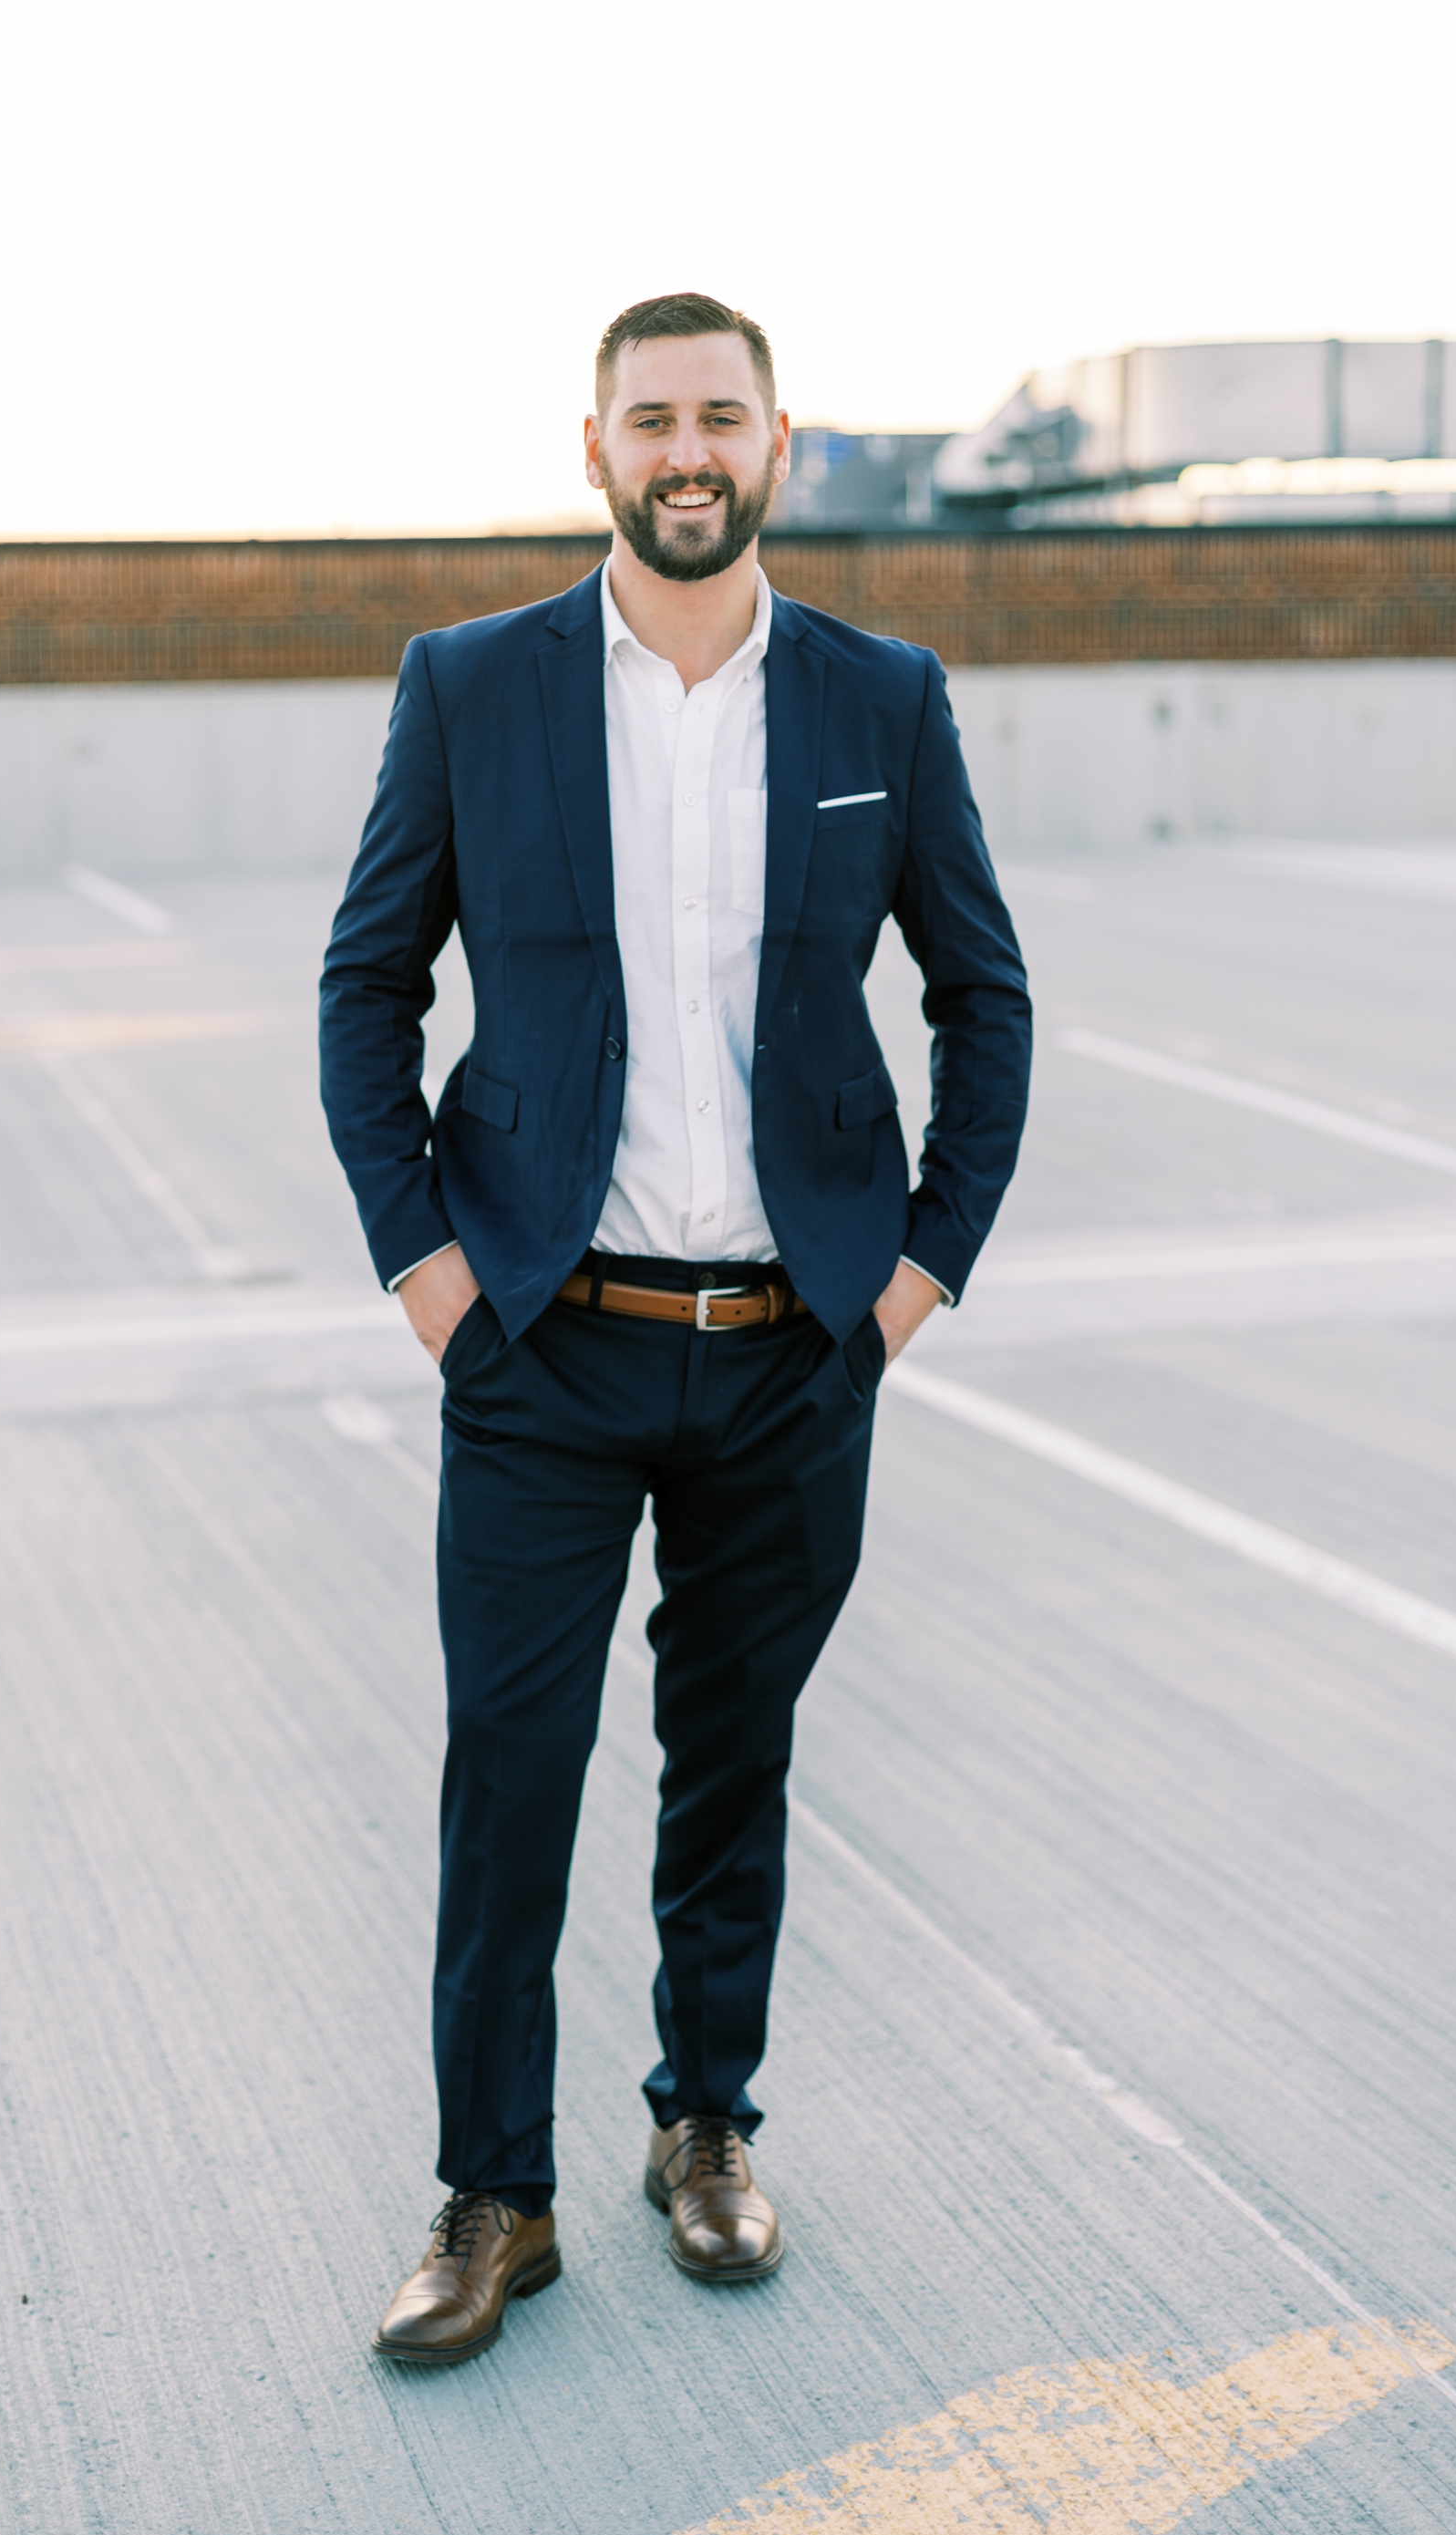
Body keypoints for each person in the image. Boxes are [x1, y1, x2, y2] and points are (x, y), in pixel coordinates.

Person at [319, 292, 1030, 2364]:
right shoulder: (472, 687)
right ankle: (492, 2196)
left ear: (779, 445)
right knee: (510, 1769)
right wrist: (431, 1278)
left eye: (722, 416)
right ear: (597, 448)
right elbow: (368, 985)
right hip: (541, 1340)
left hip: (796, 1349)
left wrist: (911, 1279)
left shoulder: (881, 701)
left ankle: (704, 2124)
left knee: (732, 1763)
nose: (688, 451)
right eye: (654, 420)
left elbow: (979, 995)